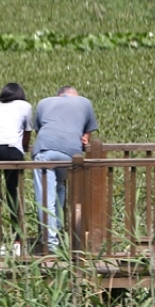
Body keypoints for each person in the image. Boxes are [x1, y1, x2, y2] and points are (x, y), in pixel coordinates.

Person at [31, 86, 97, 251]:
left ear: (59, 96)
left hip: (45, 150)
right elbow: (85, 136)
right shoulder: (85, 103)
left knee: (45, 196)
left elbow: (40, 131)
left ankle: (51, 244)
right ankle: (59, 235)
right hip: (70, 153)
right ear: (75, 95)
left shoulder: (43, 103)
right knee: (59, 186)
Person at [0, 82, 32, 255]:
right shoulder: (25, 106)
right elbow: (27, 132)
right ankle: (16, 241)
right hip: (10, 149)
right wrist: (23, 147)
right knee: (12, 193)